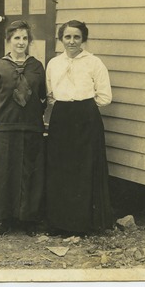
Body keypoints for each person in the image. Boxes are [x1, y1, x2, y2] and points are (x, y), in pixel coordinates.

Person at [46, 20, 113, 236]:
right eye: (67, 37)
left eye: (76, 37)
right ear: (61, 39)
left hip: (86, 119)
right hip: (61, 119)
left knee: (84, 169)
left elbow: (105, 97)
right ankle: (60, 223)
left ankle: (82, 224)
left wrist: (84, 107)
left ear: (83, 39)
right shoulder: (54, 64)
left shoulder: (94, 63)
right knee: (61, 168)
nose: (72, 41)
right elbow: (50, 94)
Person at [0, 20, 46, 236]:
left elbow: (41, 96)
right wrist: (3, 119)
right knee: (4, 173)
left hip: (31, 127)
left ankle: (28, 219)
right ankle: (4, 218)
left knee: (29, 173)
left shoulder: (36, 66)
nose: (21, 42)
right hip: (6, 127)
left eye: (25, 38)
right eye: (16, 38)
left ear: (29, 41)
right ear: (8, 40)